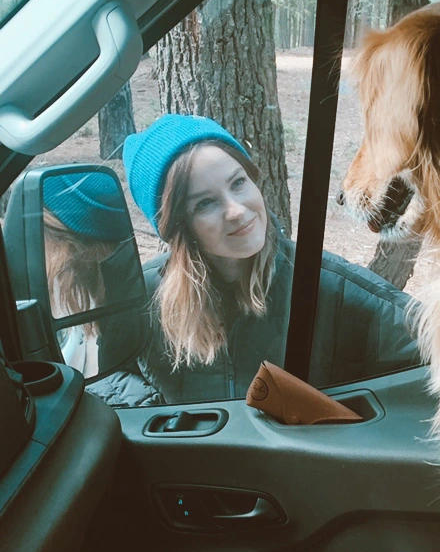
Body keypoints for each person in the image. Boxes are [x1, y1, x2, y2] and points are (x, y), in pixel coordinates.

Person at [106, 114, 419, 406]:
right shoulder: (143, 298)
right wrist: (152, 411)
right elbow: (108, 375)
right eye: (205, 203)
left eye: (238, 183)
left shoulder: (328, 289)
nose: (237, 211)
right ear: (177, 227)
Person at [42, 171, 137, 378]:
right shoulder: (119, 284)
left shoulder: (127, 315)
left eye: (41, 236)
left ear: (67, 247)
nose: (36, 249)